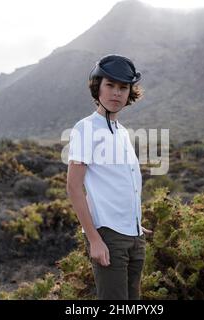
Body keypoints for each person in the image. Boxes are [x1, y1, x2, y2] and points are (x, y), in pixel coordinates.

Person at [66, 54, 151, 300]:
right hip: (108, 236)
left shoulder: (122, 132)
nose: (116, 93)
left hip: (134, 236)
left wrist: (135, 222)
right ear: (97, 87)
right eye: (110, 85)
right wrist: (94, 238)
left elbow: (121, 182)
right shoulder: (85, 128)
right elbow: (73, 187)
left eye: (123, 87)